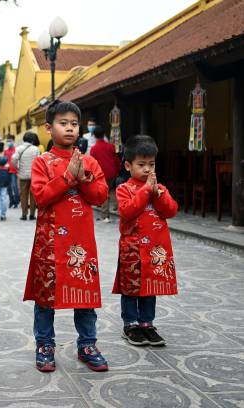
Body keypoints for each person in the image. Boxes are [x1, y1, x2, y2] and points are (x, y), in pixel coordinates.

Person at [23, 100, 109, 373]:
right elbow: (40, 197)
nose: (70, 129)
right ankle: (45, 344)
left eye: (74, 124)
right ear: (49, 128)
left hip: (81, 242)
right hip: (50, 242)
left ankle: (87, 344)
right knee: (45, 297)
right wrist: (67, 177)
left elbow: (100, 196)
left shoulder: (90, 161)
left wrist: (84, 178)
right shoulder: (42, 162)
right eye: (63, 123)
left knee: (85, 295)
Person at [113, 135, 178, 347]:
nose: (147, 169)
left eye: (151, 164)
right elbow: (127, 211)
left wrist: (158, 194)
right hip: (132, 248)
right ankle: (130, 324)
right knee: (131, 288)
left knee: (151, 288)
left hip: (155, 249)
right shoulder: (123, 189)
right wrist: (145, 191)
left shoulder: (160, 188)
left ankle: (147, 323)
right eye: (141, 165)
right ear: (128, 165)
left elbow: (171, 211)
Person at [90, 124, 121, 222]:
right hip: (112, 172)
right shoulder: (111, 146)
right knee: (111, 190)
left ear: (94, 136)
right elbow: (116, 160)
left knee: (104, 193)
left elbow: (93, 164)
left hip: (101, 174)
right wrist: (118, 169)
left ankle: (105, 216)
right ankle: (117, 208)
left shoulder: (93, 149)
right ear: (104, 134)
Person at [12, 132, 40, 220]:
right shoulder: (36, 149)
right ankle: (32, 214)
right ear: (32, 139)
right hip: (34, 175)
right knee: (33, 195)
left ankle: (24, 214)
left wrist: (17, 168)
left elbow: (13, 159)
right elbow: (39, 161)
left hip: (23, 175)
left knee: (23, 195)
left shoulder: (19, 148)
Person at [4, 134, 20, 208]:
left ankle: (16, 201)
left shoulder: (16, 150)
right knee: (8, 187)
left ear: (13, 141)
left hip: (14, 171)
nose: (9, 142)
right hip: (7, 171)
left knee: (14, 186)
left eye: (10, 141)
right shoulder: (5, 151)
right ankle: (11, 201)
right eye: (8, 141)